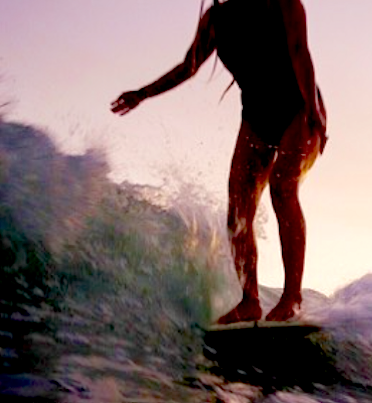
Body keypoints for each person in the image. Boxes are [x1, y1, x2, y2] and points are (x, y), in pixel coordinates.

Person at [111, 0, 326, 323]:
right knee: (238, 207)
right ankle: (249, 301)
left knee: (282, 187)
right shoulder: (216, 20)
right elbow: (189, 65)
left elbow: (299, 51)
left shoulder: (285, 4)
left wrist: (312, 111)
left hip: (299, 108)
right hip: (256, 118)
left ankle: (291, 297)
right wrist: (142, 93)